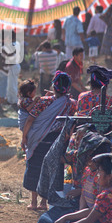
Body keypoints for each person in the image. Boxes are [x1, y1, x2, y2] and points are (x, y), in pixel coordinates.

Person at [20, 71, 77, 211]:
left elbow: (30, 120)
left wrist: (24, 137)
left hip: (39, 141)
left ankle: (33, 202)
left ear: (54, 86)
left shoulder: (43, 102)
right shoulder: (71, 104)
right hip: (57, 143)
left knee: (34, 169)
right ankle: (44, 203)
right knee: (49, 171)